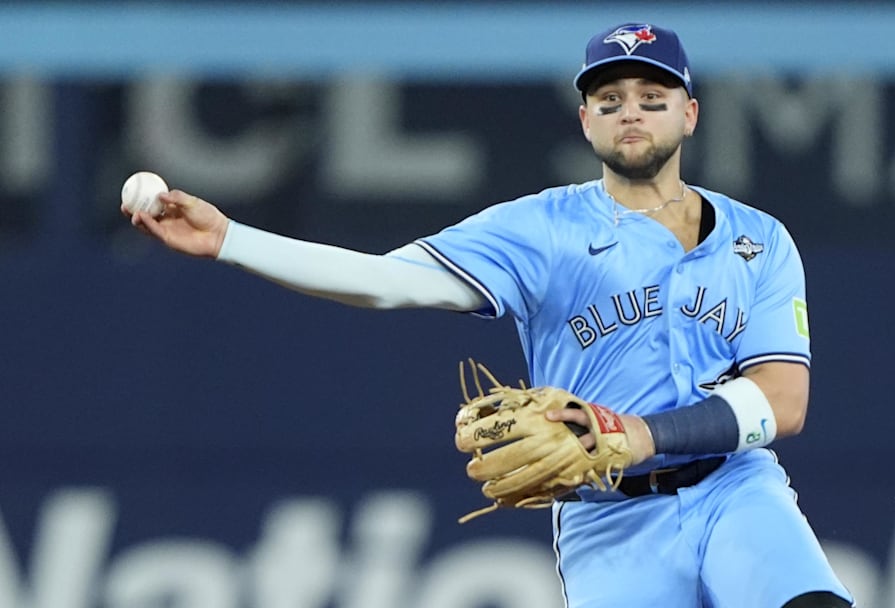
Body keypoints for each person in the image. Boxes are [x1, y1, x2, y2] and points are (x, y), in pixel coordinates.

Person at [127, 22, 854, 608]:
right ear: (586, 121)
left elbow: (782, 402)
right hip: (609, 518)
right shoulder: (541, 230)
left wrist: (639, 434)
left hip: (734, 487)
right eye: (609, 98)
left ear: (689, 113)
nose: (629, 110)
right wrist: (232, 240)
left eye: (651, 95)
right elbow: (384, 282)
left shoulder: (760, 239)